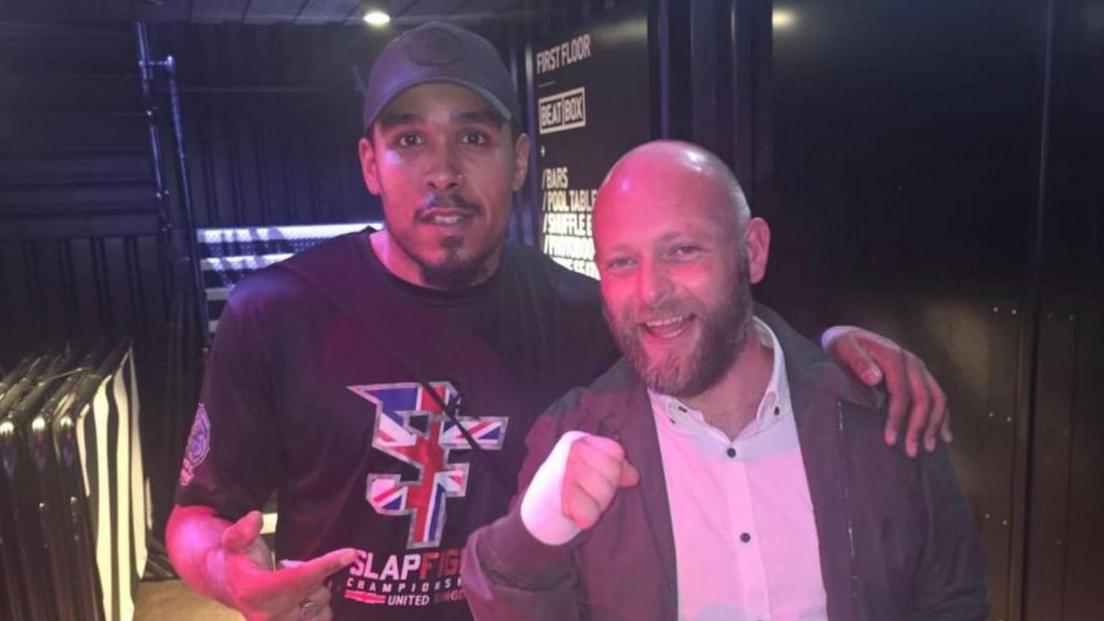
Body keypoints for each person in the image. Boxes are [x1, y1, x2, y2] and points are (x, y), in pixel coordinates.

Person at [167, 22, 953, 621]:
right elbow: (195, 515)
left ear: (517, 160)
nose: (443, 170)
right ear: (371, 162)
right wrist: (226, 574)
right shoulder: (275, 312)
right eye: (410, 141)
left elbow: (711, 335)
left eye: (473, 138)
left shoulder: (583, 309)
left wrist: (833, 350)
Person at [461, 140, 988, 621]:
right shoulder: (572, 436)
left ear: (752, 251)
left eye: (682, 251)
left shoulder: (880, 415)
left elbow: (951, 601)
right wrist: (530, 538)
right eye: (622, 262)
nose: (650, 293)